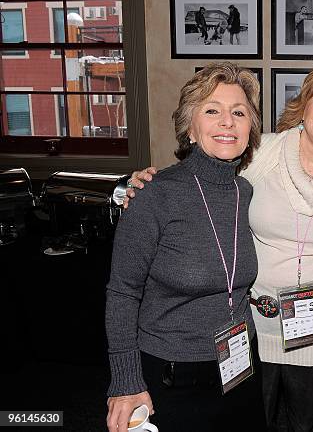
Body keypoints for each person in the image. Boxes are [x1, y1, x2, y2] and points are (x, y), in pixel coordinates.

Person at [125, 62, 313, 432]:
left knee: (309, 423)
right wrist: (147, 181)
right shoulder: (262, 154)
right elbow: (204, 176)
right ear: (303, 105)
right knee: (253, 419)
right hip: (255, 321)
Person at [105, 62, 264, 432]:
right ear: (190, 129)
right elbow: (122, 292)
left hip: (240, 368)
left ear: (250, 129)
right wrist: (126, 380)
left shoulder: (247, 193)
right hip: (172, 378)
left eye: (238, 112)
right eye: (212, 111)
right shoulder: (154, 194)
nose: (228, 122)